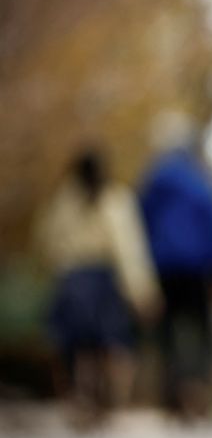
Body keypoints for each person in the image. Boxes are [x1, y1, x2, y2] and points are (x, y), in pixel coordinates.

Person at [37, 146, 160, 422]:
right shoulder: (116, 200)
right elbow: (128, 249)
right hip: (105, 278)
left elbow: (47, 241)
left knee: (75, 345)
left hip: (72, 278)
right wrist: (141, 290)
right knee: (114, 343)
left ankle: (80, 398)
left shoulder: (64, 201)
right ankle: (112, 402)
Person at [139, 130, 212, 417]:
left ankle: (172, 393)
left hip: (162, 267)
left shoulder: (152, 181)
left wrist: (144, 267)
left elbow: (140, 223)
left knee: (167, 331)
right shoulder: (202, 181)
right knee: (202, 330)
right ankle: (199, 387)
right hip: (198, 269)